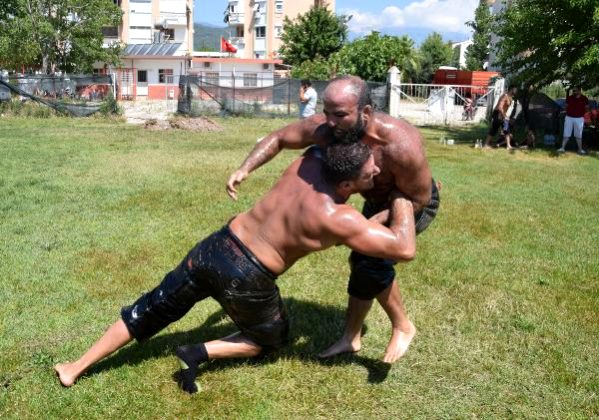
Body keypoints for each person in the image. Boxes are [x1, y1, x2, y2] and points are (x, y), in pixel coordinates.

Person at [55, 142, 417, 393]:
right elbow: (403, 248)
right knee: (270, 339)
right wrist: (404, 197)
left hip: (216, 245)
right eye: (371, 173)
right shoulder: (339, 216)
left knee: (150, 307)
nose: (378, 173)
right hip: (247, 275)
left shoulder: (307, 162)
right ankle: (199, 352)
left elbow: (300, 137)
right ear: (346, 184)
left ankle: (75, 367)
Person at [226, 75, 440, 364]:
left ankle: (403, 326)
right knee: (361, 261)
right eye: (327, 113)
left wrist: (370, 223)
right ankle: (351, 337)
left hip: (408, 202)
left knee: (369, 260)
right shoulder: (328, 129)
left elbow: (419, 199)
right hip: (378, 201)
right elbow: (278, 138)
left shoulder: (401, 144)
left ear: (365, 112)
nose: (330, 122)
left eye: (340, 115)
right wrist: (245, 168)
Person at [558, 86, 589, 155]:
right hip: (569, 117)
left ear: (579, 91)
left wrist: (585, 115)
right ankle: (562, 148)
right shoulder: (569, 98)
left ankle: (580, 150)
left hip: (579, 118)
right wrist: (565, 111)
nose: (574, 92)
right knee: (566, 133)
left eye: (575, 91)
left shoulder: (584, 98)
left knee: (579, 135)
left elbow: (587, 108)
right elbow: (566, 106)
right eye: (573, 91)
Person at [485, 84, 518, 148]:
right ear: (511, 89)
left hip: (502, 115)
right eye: (515, 89)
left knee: (506, 129)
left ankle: (508, 145)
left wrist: (506, 116)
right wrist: (504, 116)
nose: (516, 91)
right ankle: (486, 144)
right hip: (498, 114)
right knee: (494, 129)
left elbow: (505, 108)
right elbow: (500, 107)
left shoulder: (510, 97)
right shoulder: (505, 96)